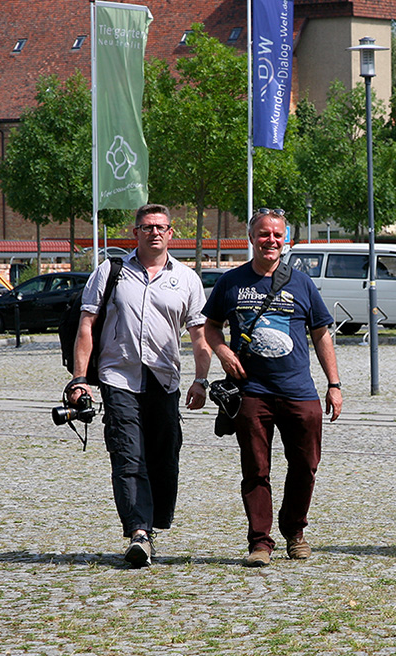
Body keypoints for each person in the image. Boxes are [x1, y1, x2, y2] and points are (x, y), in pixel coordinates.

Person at [67, 203, 211, 567]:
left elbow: (198, 335)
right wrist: (79, 380)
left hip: (164, 380)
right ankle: (138, 532)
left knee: (165, 457)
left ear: (171, 233)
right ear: (136, 233)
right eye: (147, 227)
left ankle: (154, 521)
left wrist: (201, 379)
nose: (154, 233)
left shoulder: (188, 279)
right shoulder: (110, 271)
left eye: (161, 227)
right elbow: (87, 325)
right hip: (119, 378)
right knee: (127, 455)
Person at [203, 208, 343, 567]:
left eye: (277, 235)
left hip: (299, 390)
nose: (271, 240)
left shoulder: (301, 283)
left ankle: (294, 532)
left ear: (286, 240)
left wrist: (334, 384)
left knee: (306, 464)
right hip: (252, 391)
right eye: (264, 234)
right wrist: (221, 352)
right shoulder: (231, 282)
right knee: (255, 469)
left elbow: (321, 334)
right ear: (252, 238)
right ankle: (260, 542)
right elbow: (211, 326)